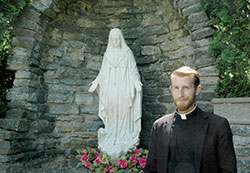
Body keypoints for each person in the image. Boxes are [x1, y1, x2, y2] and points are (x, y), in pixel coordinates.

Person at [144, 66, 237, 173]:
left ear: (197, 90)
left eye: (186, 88)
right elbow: (150, 169)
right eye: (176, 88)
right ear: (171, 89)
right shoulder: (159, 126)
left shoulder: (218, 126)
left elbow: (228, 170)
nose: (180, 94)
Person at [88, 28, 143, 158]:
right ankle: (112, 136)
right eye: (113, 39)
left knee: (124, 112)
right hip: (111, 89)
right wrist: (96, 82)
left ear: (121, 39)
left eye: (118, 39)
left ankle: (125, 138)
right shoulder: (107, 54)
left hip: (124, 88)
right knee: (112, 111)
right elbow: (103, 72)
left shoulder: (127, 53)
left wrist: (136, 82)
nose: (116, 41)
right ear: (110, 40)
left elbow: (133, 70)